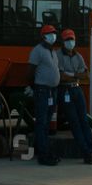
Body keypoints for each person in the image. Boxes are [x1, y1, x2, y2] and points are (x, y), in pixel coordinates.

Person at [56, 29, 92, 164]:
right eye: (67, 39)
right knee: (75, 123)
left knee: (84, 122)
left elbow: (85, 75)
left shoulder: (78, 56)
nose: (70, 42)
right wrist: (75, 75)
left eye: (72, 39)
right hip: (65, 91)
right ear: (63, 41)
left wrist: (71, 75)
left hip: (77, 90)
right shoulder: (57, 56)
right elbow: (61, 77)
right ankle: (86, 153)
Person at [27, 24, 62, 165]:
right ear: (43, 36)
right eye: (50, 33)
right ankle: (43, 154)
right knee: (42, 122)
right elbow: (30, 71)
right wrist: (32, 86)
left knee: (47, 123)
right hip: (42, 90)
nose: (53, 35)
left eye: (54, 33)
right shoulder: (37, 51)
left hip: (52, 91)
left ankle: (44, 150)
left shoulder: (53, 52)